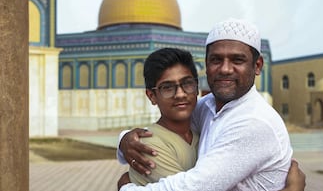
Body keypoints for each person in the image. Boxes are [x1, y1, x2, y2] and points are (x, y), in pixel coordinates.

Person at [117, 18, 305, 191]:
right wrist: (124, 140)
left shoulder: (254, 121)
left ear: (257, 66)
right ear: (206, 65)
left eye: (237, 60)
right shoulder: (208, 107)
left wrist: (127, 189)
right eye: (216, 60)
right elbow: (173, 121)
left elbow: (195, 187)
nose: (224, 69)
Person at [127, 47, 200, 185]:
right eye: (167, 87)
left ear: (196, 87)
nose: (180, 94)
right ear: (152, 96)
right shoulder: (149, 145)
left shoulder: (202, 133)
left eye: (187, 84)